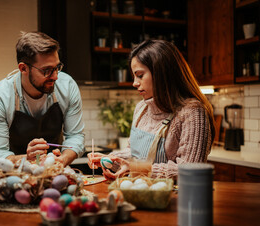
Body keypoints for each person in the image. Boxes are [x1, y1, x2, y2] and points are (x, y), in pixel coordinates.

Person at [88, 40, 215, 180]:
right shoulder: (141, 108)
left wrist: (136, 168)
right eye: (134, 76)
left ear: (161, 73)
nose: (135, 83)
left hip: (174, 198)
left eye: (140, 75)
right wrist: (112, 160)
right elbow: (134, 153)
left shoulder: (192, 112)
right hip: (140, 193)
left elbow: (191, 172)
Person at [0, 31, 85, 169]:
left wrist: (62, 159)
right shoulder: (0, 97)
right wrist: (26, 159)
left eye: (57, 67)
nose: (55, 76)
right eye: (47, 70)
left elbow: (76, 136)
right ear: (23, 68)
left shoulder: (67, 86)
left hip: (55, 173)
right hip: (14, 176)